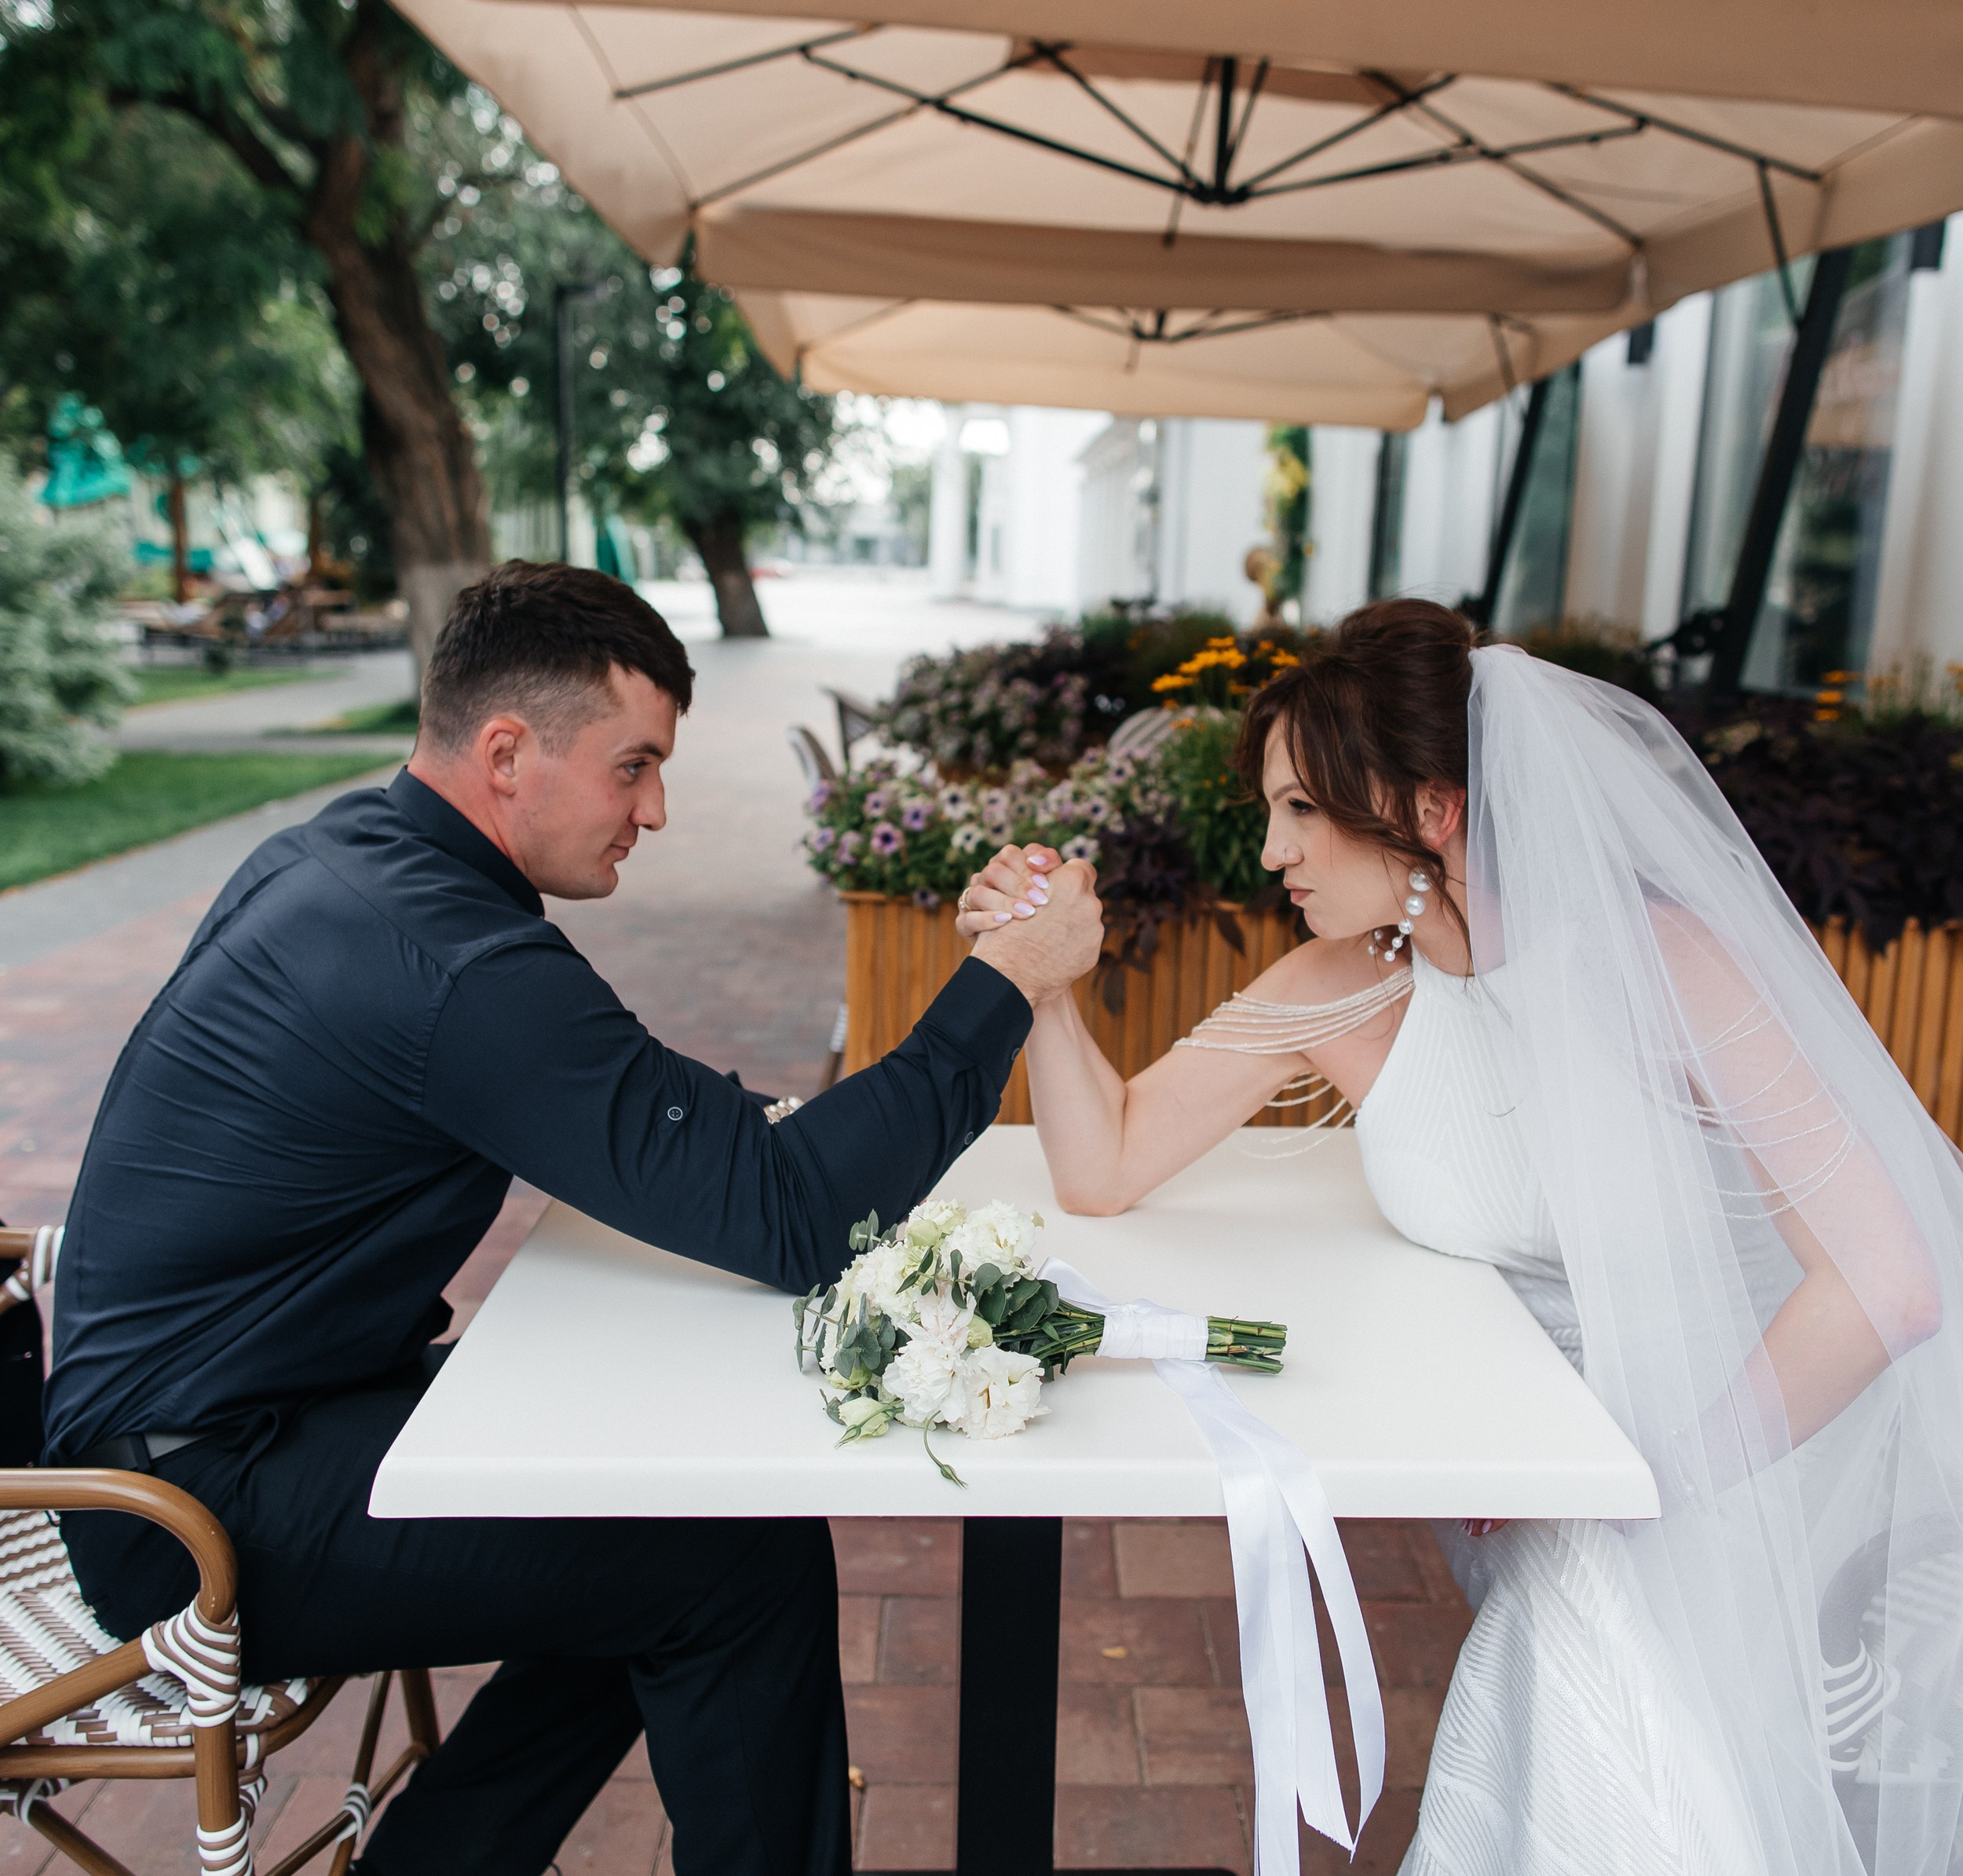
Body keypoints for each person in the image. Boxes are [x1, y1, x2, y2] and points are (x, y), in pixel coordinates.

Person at [43, 560, 1101, 1876]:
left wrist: (786, 1123)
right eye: (634, 766)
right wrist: (1001, 980)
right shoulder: (454, 967)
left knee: (643, 1512)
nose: (657, 809)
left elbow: (660, 1121)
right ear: (505, 752)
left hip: (220, 1417)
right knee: (731, 1561)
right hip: (188, 1512)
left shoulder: (350, 860)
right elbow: (789, 1216)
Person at [960, 601, 1963, 1875]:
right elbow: (1102, 1167)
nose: (1272, 850)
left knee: (1582, 1644)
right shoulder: (1350, 987)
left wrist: (1628, 1485)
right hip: (1547, 1445)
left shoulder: (1663, 968)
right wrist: (1043, 981)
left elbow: (1890, 1283)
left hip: (1776, 1424)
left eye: (1304, 811)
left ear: (1429, 808)